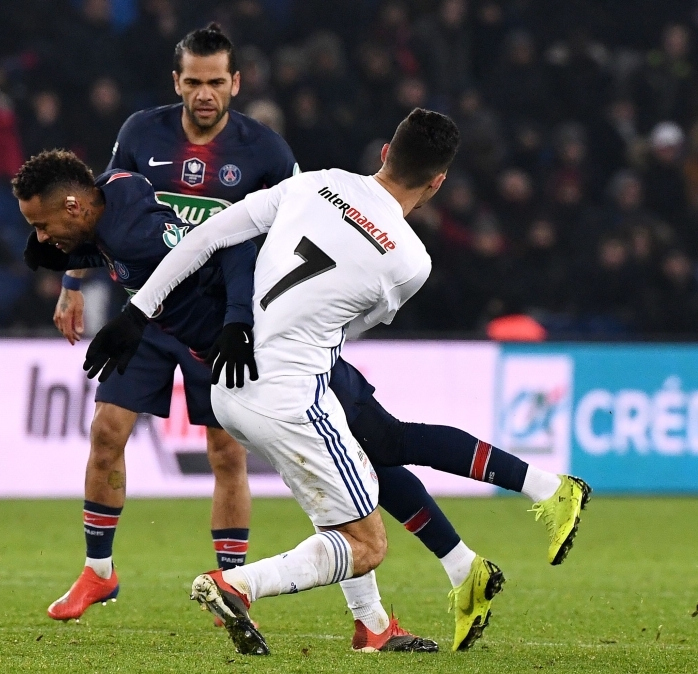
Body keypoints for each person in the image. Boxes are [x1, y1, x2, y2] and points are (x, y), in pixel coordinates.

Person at [83, 109, 592, 655]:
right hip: (296, 382)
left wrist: (137, 312)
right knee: (373, 498)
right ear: (438, 182)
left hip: (228, 380)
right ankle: (240, 585)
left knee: (364, 461)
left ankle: (421, 595)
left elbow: (208, 236)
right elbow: (350, 327)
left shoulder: (314, 182)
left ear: (383, 153)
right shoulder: (411, 261)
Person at [47, 24, 297, 627]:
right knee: (107, 431)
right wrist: (72, 283)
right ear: (176, 82)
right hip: (145, 315)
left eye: (216, 82)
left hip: (218, 324)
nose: (204, 93)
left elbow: (293, 237)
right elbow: (94, 212)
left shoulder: (266, 152)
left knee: (224, 449)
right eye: (194, 82)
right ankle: (98, 573)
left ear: (235, 83)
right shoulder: (140, 132)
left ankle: (231, 583)